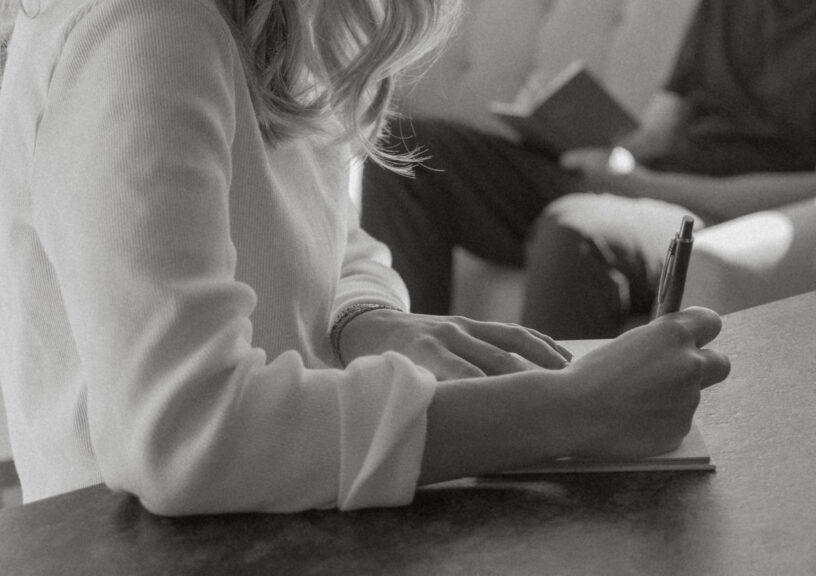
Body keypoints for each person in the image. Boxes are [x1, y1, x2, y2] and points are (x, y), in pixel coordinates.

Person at [0, 0, 730, 514]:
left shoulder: (272, 23)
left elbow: (339, 243)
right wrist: (573, 408)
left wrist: (364, 319)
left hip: (273, 520)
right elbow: (186, 435)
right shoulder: (147, 29)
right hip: (133, 542)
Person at [361, 0, 816, 339]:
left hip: (726, 219)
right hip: (650, 187)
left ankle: (552, 439)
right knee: (404, 147)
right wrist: (575, 134)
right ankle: (413, 382)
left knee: (578, 227)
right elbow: (660, 133)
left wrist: (636, 183)